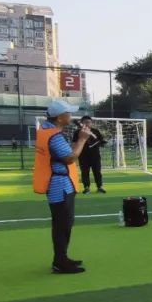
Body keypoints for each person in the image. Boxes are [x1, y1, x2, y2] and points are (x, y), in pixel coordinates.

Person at [34, 100, 91, 274]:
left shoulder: (47, 131)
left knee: (63, 223)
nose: (71, 116)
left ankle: (62, 258)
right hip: (59, 186)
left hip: (58, 184)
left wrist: (79, 140)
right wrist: (82, 139)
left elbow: (66, 153)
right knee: (62, 224)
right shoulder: (54, 136)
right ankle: (60, 262)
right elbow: (70, 158)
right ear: (60, 117)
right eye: (68, 113)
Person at [76, 116, 106, 195]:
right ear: (81, 123)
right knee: (85, 172)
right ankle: (86, 188)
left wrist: (102, 142)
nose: (87, 124)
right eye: (85, 122)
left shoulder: (95, 131)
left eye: (89, 122)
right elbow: (75, 143)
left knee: (97, 172)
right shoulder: (78, 132)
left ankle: (100, 187)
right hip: (83, 156)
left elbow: (101, 141)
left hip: (95, 156)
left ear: (91, 123)